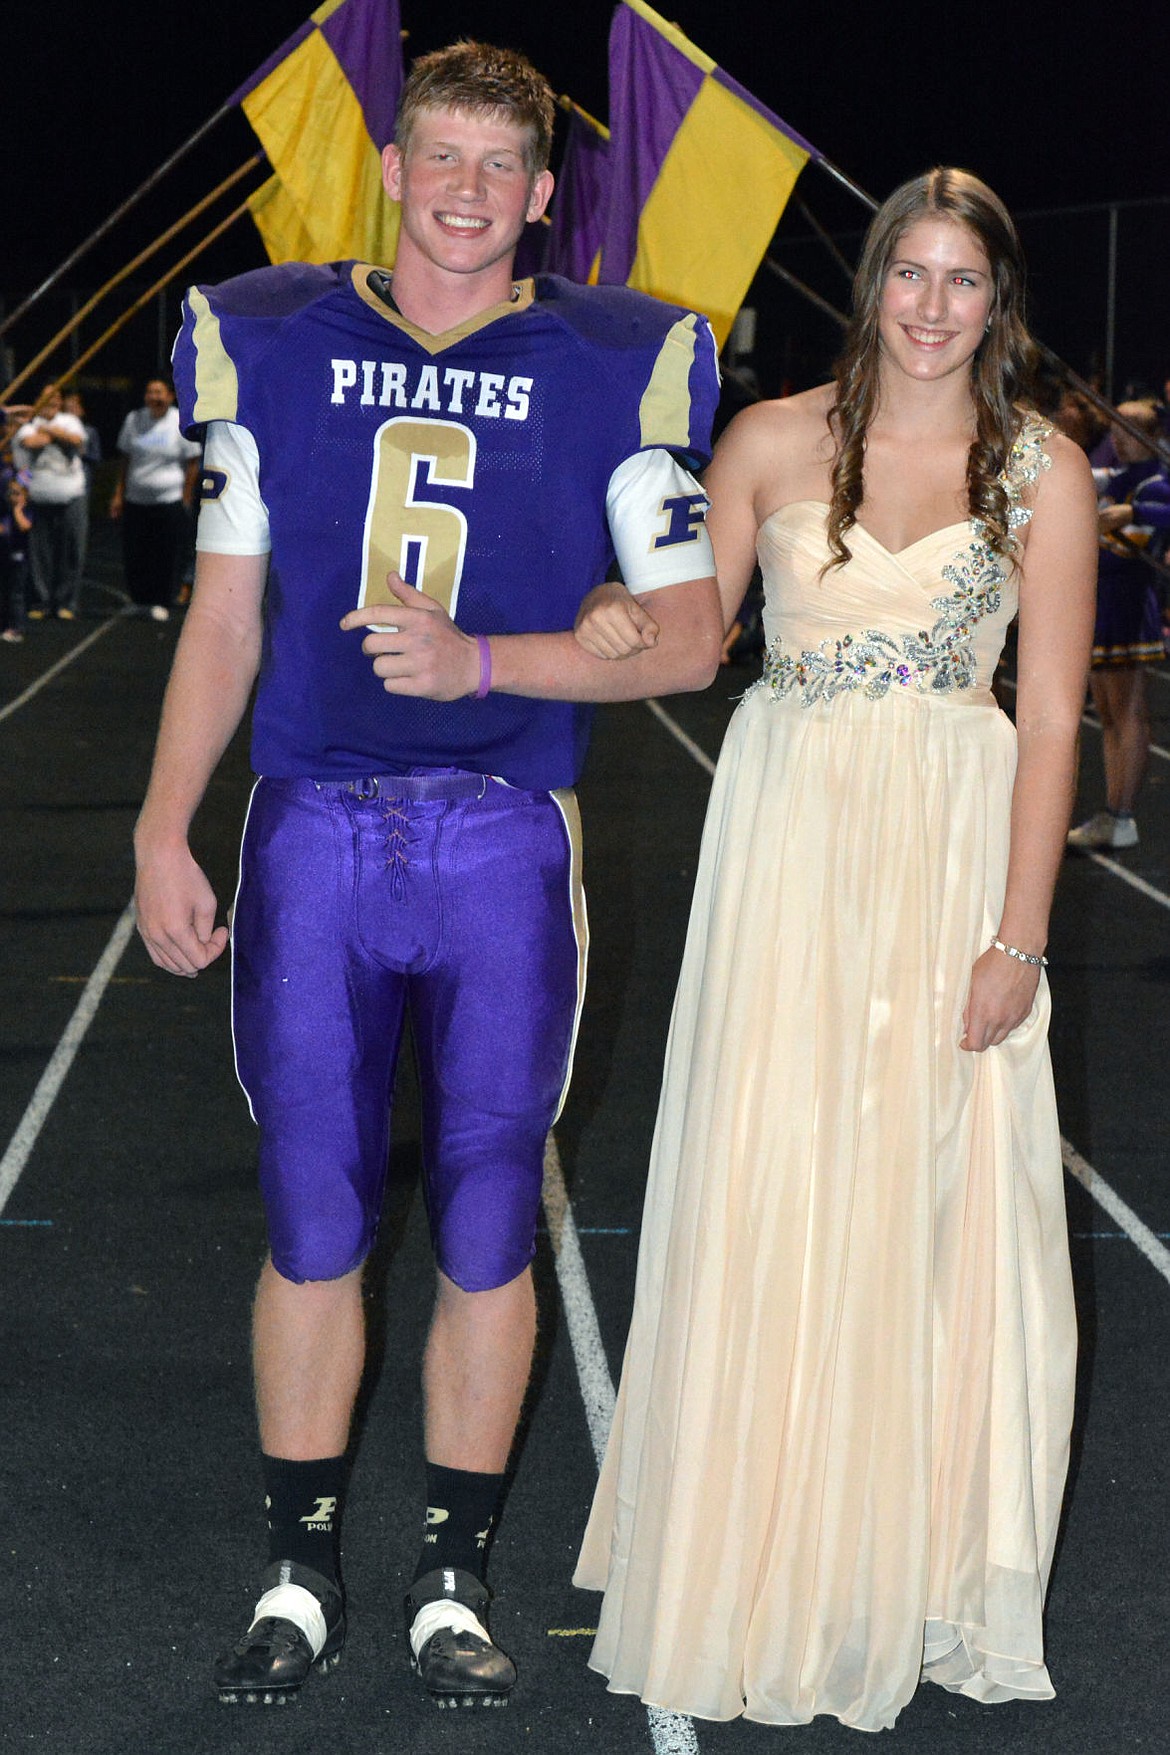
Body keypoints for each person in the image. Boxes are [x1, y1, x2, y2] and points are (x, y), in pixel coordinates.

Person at [133, 39, 722, 1714]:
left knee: (484, 1219)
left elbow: (685, 639)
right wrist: (161, 821)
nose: (467, 195)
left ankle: (454, 1575)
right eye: (439, 158)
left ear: (549, 195)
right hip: (313, 827)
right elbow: (227, 616)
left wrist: (498, 662)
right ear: (392, 166)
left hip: (500, 844)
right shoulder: (268, 336)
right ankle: (300, 1565)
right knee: (312, 1214)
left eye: (500, 169)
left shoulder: (618, 359)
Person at [572, 168, 1097, 1731]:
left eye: (963, 281)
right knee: (775, 1174)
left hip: (949, 849)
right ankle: (757, 1554)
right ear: (868, 283)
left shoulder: (1041, 471)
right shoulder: (767, 440)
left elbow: (1056, 711)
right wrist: (607, 602)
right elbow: (689, 633)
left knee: (923, 1200)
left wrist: (1019, 934)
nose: (932, 306)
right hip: (788, 847)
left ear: (996, 302)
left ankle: (901, 1562)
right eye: (909, 274)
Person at [1066, 399, 1170, 849]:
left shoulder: (1153, 484)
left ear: (1150, 436)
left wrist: (1123, 516)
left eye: (1130, 432)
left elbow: (1129, 542)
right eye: (1115, 432)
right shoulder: (1120, 479)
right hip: (1099, 602)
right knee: (1107, 712)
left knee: (1126, 711)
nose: (1119, 441)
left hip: (1127, 605)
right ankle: (1113, 811)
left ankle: (1122, 814)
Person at [110, 377, 201, 621]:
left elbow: (192, 462)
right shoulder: (134, 419)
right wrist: (119, 494)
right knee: (136, 552)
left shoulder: (179, 421)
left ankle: (162, 600)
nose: (155, 397)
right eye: (150, 392)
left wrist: (185, 497)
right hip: (136, 499)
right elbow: (125, 459)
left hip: (168, 499)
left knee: (165, 553)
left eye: (159, 392)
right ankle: (140, 600)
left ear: (170, 396)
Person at [12, 383, 88, 619]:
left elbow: (75, 440)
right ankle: (41, 601)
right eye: (47, 397)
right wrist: (55, 435)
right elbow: (31, 443)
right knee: (39, 553)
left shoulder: (70, 421)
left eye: (56, 397)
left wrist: (49, 431)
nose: (53, 401)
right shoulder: (27, 426)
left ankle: (66, 602)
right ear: (37, 401)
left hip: (71, 495)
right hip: (38, 497)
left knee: (71, 550)